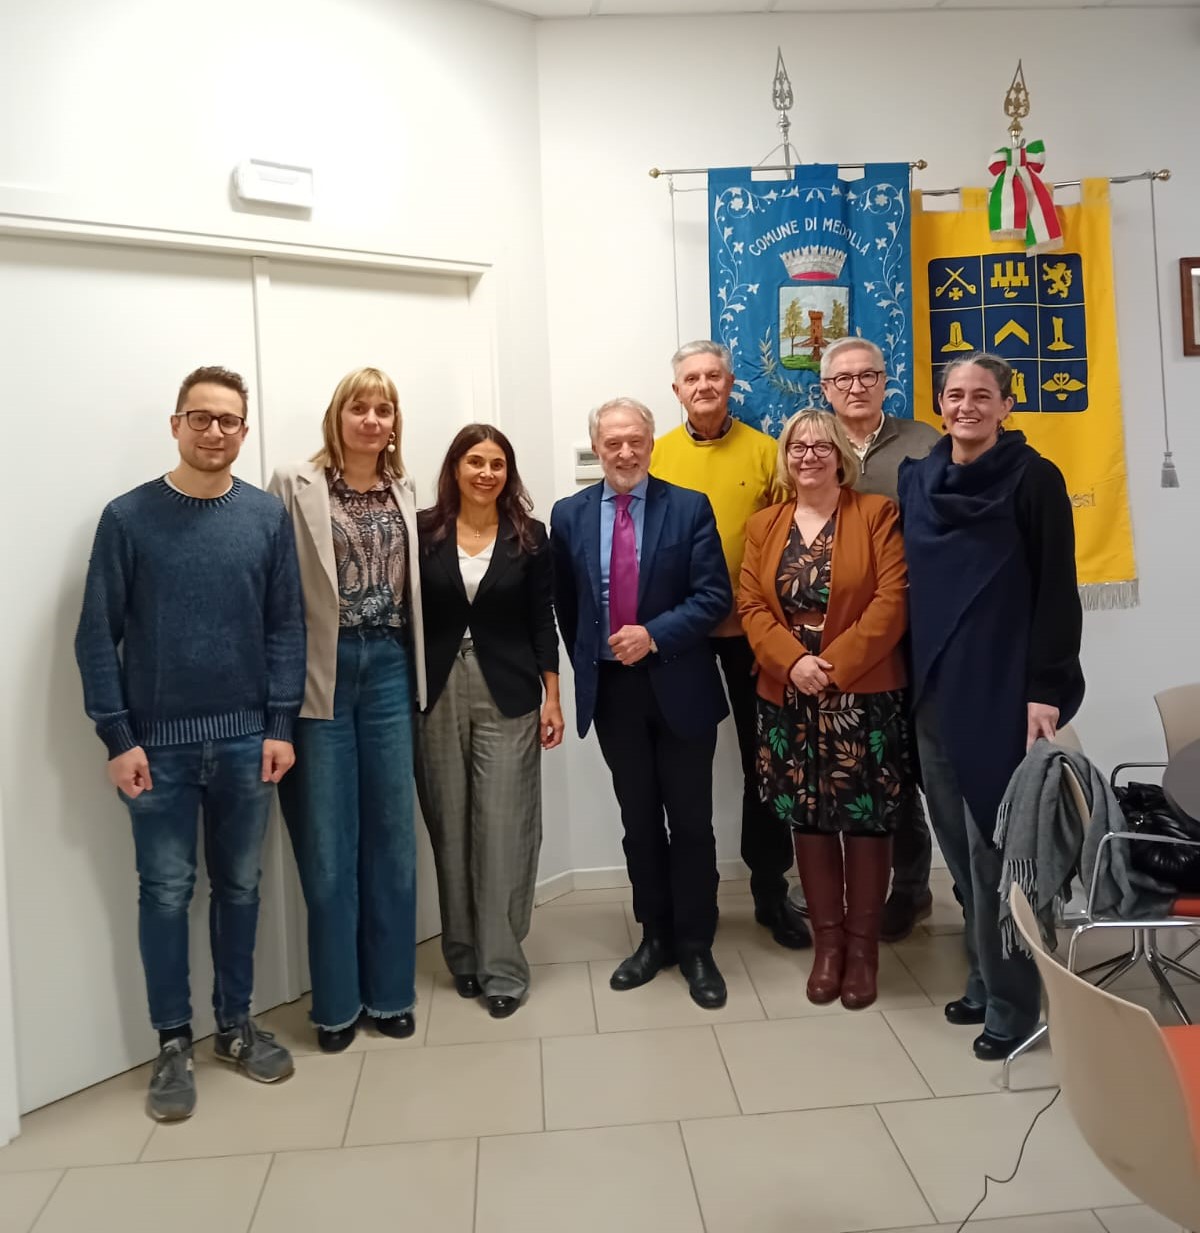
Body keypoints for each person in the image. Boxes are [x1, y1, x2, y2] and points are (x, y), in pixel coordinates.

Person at [75, 365, 304, 1122]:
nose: (214, 431)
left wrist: (279, 725)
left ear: (244, 430)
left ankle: (234, 1025)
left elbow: (286, 627)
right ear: (175, 425)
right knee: (166, 893)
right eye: (200, 417)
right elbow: (96, 636)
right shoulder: (127, 518)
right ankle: (172, 1041)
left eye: (228, 420)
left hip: (247, 745)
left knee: (240, 888)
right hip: (157, 751)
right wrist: (117, 736)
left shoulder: (266, 517)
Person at [898, 352, 1084, 1060]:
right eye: (955, 394)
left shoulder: (1034, 478)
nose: (967, 406)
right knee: (957, 846)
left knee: (999, 853)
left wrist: (1045, 689)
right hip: (931, 688)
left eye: (983, 395)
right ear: (939, 404)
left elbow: (1057, 591)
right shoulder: (918, 478)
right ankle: (982, 975)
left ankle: (1014, 1003)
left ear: (1007, 405)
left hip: (1003, 690)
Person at [551, 398, 733, 1009]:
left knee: (691, 823)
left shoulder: (689, 507)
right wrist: (592, 659)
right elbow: (568, 604)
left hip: (680, 683)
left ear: (652, 443)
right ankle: (655, 937)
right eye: (613, 443)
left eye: (636, 441)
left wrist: (653, 634)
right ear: (598, 448)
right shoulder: (569, 515)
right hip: (614, 693)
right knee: (639, 822)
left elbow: (713, 597)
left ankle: (697, 944)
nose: (625, 452)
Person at [268, 367, 427, 1053]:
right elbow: (274, 586)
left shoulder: (405, 489)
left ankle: (390, 994)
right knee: (329, 845)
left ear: (394, 423)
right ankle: (335, 1006)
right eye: (358, 407)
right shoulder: (293, 483)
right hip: (321, 674)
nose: (370, 420)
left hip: (390, 664)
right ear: (337, 416)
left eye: (382, 409)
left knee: (392, 838)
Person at [739, 410, 914, 1010]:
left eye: (821, 446)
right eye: (797, 446)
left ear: (841, 454)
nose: (808, 455)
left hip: (862, 694)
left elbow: (892, 601)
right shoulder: (764, 524)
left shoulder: (877, 514)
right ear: (785, 457)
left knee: (866, 819)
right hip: (788, 694)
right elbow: (750, 605)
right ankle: (828, 947)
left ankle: (862, 953)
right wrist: (794, 663)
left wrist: (831, 666)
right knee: (808, 819)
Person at [650, 341, 810, 949]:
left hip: (752, 633)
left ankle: (770, 890)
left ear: (731, 382)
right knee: (682, 764)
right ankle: (693, 896)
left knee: (763, 761)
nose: (704, 386)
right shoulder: (656, 454)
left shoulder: (767, 452)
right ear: (677, 391)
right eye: (691, 378)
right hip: (682, 634)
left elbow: (788, 541)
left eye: (713, 375)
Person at [415, 425, 563, 1019]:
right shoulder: (421, 531)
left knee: (503, 828)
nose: (486, 473)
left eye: (497, 464)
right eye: (475, 461)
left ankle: (503, 967)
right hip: (436, 691)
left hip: (510, 690)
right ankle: (464, 955)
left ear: (509, 473)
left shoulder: (530, 536)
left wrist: (553, 697)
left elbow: (542, 619)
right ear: (455, 467)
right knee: (450, 827)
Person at [818, 336, 941, 943]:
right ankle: (846, 894)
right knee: (857, 766)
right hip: (840, 638)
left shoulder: (925, 443)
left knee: (909, 764)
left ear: (886, 380)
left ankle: (912, 890)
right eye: (843, 379)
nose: (856, 387)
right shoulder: (815, 444)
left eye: (868, 375)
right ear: (825, 390)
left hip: (920, 629)